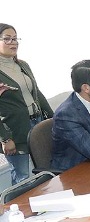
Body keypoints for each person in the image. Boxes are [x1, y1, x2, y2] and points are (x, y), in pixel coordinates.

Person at [0, 23, 53, 184]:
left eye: (15, 39)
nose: (13, 43)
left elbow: (37, 93)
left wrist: (53, 118)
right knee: (22, 176)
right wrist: (5, 139)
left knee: (46, 169)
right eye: (7, 39)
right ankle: (20, 202)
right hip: (14, 130)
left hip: (37, 122)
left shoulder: (23, 65)